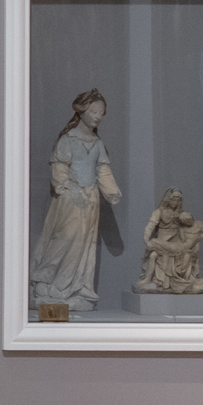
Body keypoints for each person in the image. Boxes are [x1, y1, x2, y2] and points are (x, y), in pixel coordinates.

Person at [29, 89, 117, 311]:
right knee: (64, 237)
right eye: (94, 111)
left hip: (90, 201)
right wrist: (64, 187)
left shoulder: (97, 144)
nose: (98, 116)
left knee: (83, 245)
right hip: (69, 198)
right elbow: (59, 167)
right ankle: (43, 279)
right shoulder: (68, 140)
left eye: (101, 113)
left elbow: (103, 170)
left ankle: (68, 287)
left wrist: (111, 191)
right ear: (82, 111)